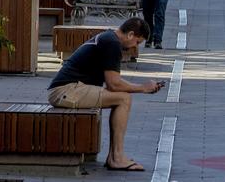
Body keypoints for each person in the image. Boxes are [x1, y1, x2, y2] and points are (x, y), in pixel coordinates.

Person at [47, 17, 164, 172]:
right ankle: (116, 158)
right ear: (130, 35)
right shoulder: (112, 44)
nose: (135, 47)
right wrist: (143, 88)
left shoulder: (108, 38)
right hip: (66, 90)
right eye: (137, 42)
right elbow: (114, 84)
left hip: (69, 89)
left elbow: (113, 83)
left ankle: (114, 157)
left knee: (122, 97)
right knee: (124, 99)